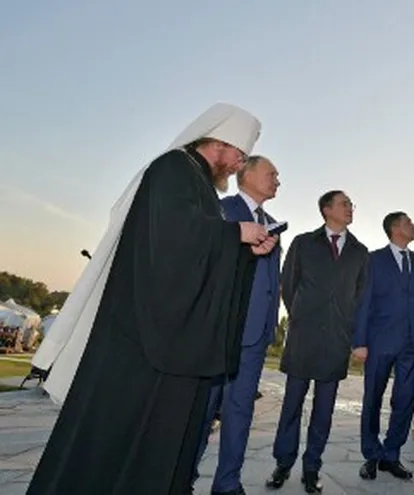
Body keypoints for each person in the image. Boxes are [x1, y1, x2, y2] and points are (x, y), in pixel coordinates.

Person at [27, 103, 274, 495]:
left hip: (171, 340)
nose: (237, 165)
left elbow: (202, 249)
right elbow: (173, 239)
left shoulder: (200, 183)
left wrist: (243, 250)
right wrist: (234, 234)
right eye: (239, 156)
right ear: (221, 143)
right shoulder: (172, 169)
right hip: (141, 339)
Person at [267, 190, 369, 493]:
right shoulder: (303, 243)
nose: (350, 208)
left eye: (351, 204)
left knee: (324, 411)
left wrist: (350, 331)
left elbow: (361, 296)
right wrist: (300, 314)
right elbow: (288, 284)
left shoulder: (360, 252)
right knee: (292, 404)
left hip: (337, 340)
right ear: (327, 209)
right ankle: (283, 463)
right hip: (303, 336)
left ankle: (312, 468)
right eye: (344, 204)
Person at [191, 156, 282, 495]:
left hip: (254, 336)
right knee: (202, 410)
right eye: (271, 173)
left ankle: (227, 483)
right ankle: (182, 477)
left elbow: (271, 282)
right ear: (246, 174)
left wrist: (270, 326)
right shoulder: (222, 210)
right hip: (220, 330)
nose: (277, 180)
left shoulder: (272, 223)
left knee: (241, 411)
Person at [353, 212, 414, 481]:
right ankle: (371, 455)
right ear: (396, 228)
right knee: (372, 399)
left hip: (412, 344)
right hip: (379, 342)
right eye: (409, 222)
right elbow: (363, 301)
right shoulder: (373, 260)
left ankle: (391, 455)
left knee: (405, 400)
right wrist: (359, 341)